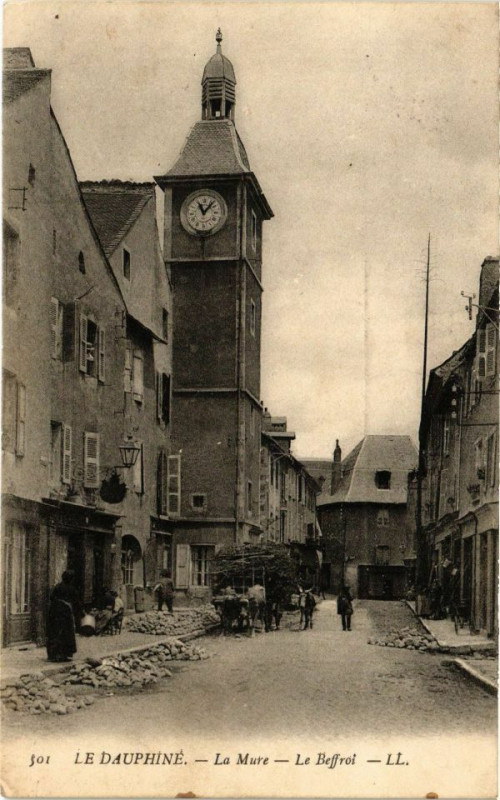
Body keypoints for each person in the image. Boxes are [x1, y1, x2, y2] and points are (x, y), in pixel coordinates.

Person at [46, 570, 82, 662]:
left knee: (55, 633)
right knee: (66, 634)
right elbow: (76, 602)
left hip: (55, 613)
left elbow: (51, 597)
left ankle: (53, 655)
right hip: (65, 614)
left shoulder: (57, 587)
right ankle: (64, 655)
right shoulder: (72, 589)